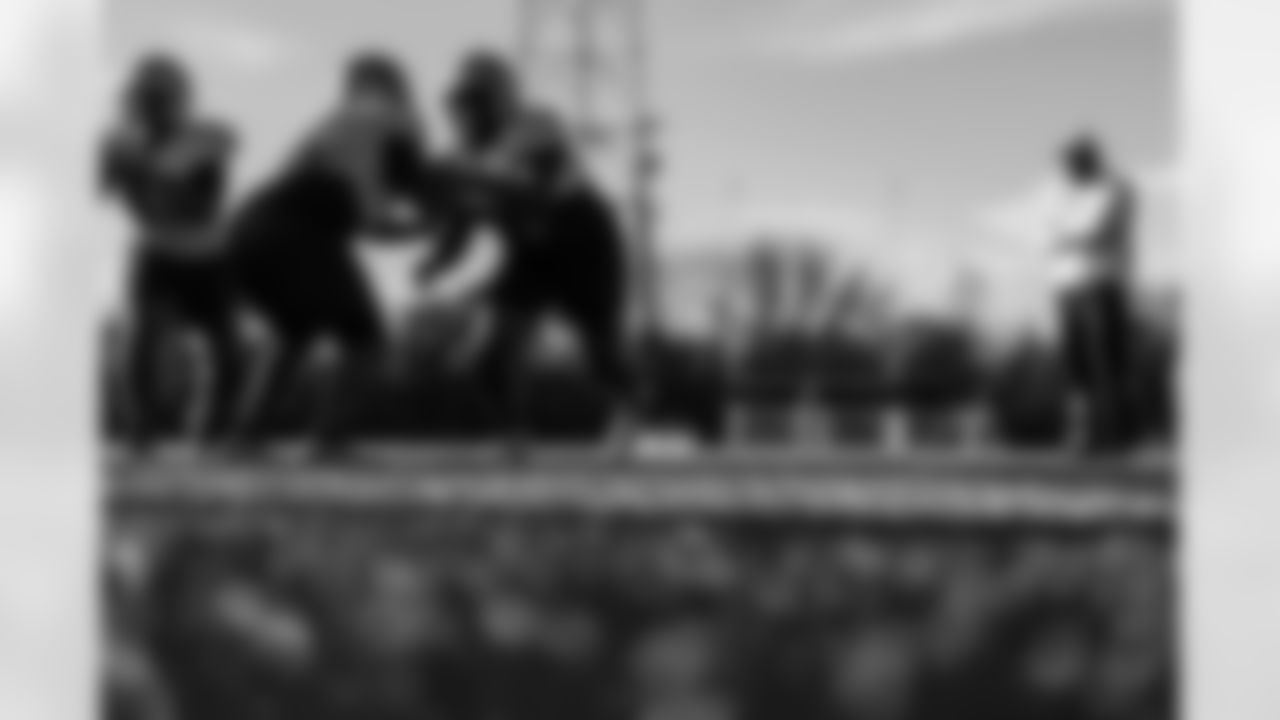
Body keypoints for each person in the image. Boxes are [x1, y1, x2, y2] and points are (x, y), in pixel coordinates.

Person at [414, 50, 642, 459]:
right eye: (462, 101)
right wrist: (436, 260)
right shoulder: (460, 155)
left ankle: (626, 416)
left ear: (501, 98)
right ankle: (514, 437)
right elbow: (461, 226)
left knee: (599, 346)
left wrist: (467, 178)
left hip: (580, 236)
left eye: (478, 99)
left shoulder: (535, 123)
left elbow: (538, 191)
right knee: (484, 354)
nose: (468, 110)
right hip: (528, 251)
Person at [225, 51, 433, 456]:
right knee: (366, 341)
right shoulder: (397, 115)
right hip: (298, 229)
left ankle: (245, 434)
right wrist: (435, 217)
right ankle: (329, 438)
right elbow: (402, 194)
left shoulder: (334, 121)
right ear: (395, 84)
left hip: (246, 227)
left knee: (292, 333)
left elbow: (365, 222)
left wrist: (417, 227)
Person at [99, 53, 240, 454]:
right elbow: (106, 194)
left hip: (209, 252)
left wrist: (143, 172)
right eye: (148, 97)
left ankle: (212, 429)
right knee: (143, 339)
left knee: (223, 346)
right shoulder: (122, 141)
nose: (153, 104)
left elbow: (201, 207)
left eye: (159, 97)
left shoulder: (208, 137)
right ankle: (140, 430)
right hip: (157, 251)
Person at [1048, 134, 1139, 454]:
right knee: (1075, 367)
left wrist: (1064, 234)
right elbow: (1052, 230)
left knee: (1107, 365)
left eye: (1073, 161)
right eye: (1066, 163)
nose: (1067, 169)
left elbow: (1093, 231)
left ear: (1089, 159)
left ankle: (1115, 439)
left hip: (1102, 286)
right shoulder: (1068, 196)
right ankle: (1082, 437)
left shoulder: (1114, 189)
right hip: (1067, 288)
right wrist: (1063, 233)